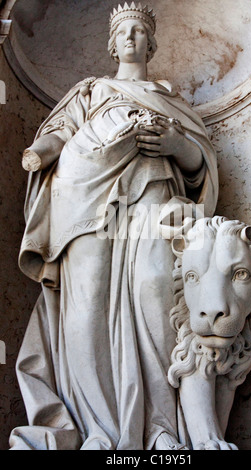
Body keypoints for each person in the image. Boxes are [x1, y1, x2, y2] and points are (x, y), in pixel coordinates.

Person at [9, 3, 218, 450]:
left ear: (152, 42)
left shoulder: (171, 101)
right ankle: (97, 430)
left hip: (153, 202)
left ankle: (161, 427)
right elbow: (61, 131)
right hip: (85, 201)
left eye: (140, 30)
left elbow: (203, 165)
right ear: (111, 42)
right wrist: (39, 152)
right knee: (86, 310)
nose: (131, 37)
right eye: (124, 30)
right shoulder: (90, 91)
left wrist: (177, 143)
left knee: (158, 297)